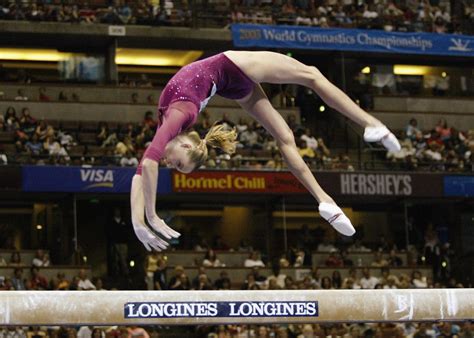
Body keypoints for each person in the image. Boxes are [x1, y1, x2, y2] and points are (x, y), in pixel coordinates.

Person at [130, 51, 401, 251]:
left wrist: (151, 216)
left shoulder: (178, 116)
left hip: (231, 65)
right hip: (229, 84)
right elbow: (140, 175)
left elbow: (149, 168)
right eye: (176, 166)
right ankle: (325, 200)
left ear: (187, 145)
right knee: (284, 136)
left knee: (312, 75)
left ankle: (371, 124)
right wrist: (138, 224)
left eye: (177, 165)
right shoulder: (170, 128)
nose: (170, 163)